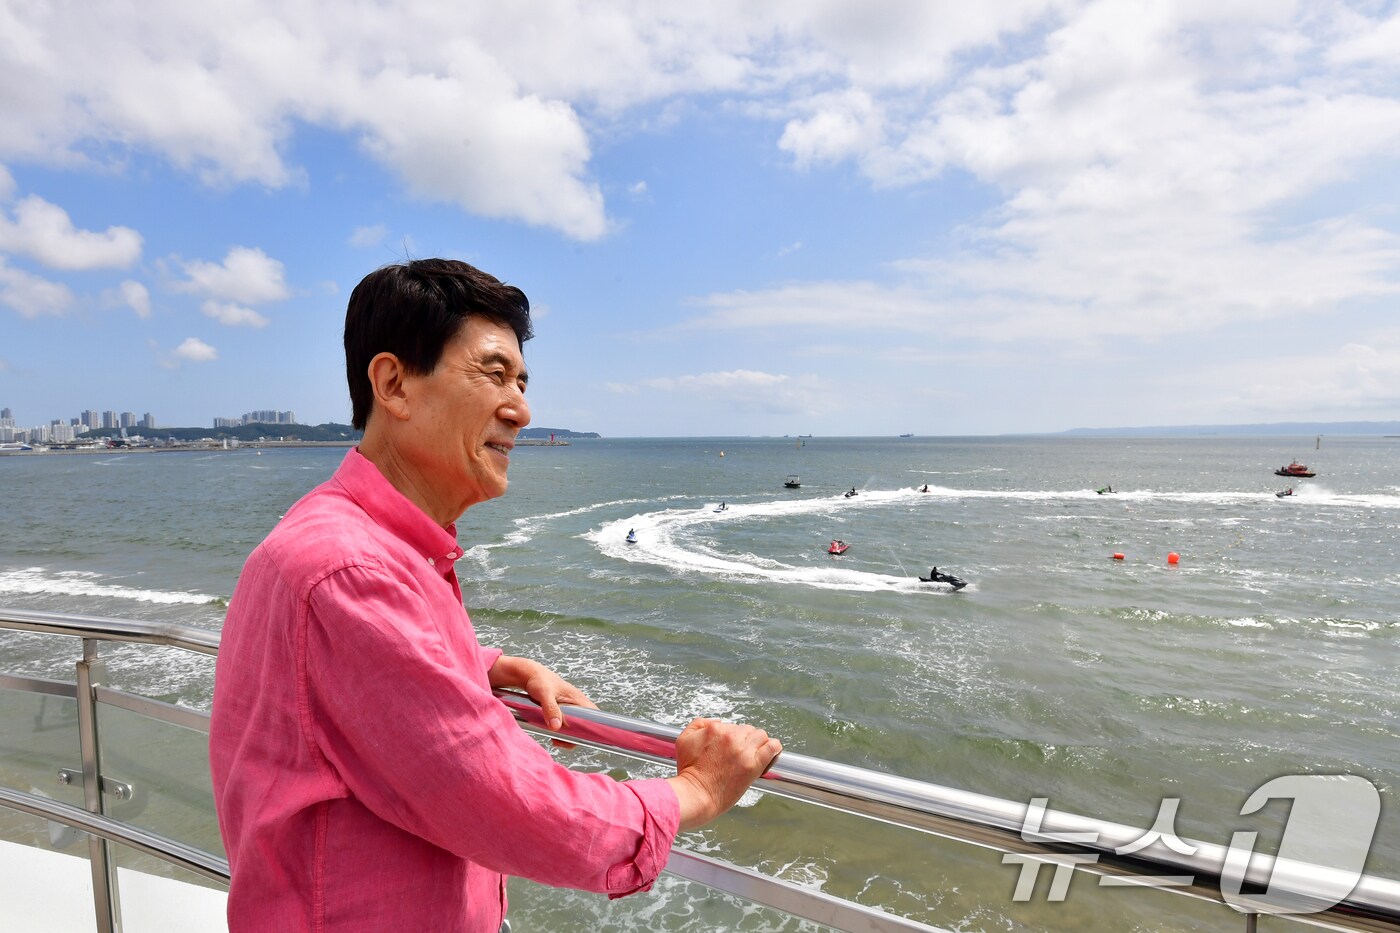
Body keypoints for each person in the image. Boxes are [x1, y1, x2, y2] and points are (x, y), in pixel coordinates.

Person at [209, 259, 781, 933]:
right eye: (493, 373)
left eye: (522, 381)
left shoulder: (350, 541)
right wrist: (698, 789)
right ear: (393, 384)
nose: (522, 409)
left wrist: (482, 666)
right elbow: (515, 807)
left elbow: (352, 680)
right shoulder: (349, 570)